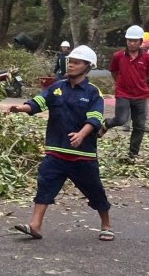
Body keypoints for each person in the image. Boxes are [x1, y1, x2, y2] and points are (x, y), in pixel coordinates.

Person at [8, 45, 115, 241]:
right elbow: (39, 102)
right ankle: (35, 226)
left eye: (76, 62)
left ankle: (106, 224)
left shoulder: (93, 92)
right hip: (56, 151)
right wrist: (21, 108)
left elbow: (95, 118)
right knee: (45, 186)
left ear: (87, 66)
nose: (71, 65)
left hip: (82, 155)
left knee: (94, 190)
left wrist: (82, 135)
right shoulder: (57, 87)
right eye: (70, 61)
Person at [102, 24, 149, 159]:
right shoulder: (118, 56)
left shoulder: (147, 58)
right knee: (121, 119)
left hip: (141, 95)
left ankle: (133, 153)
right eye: (129, 40)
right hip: (123, 93)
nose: (132, 43)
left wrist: (138, 84)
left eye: (135, 41)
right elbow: (114, 72)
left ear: (140, 42)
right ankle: (107, 124)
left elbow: (148, 73)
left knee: (139, 126)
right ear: (126, 41)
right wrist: (121, 83)